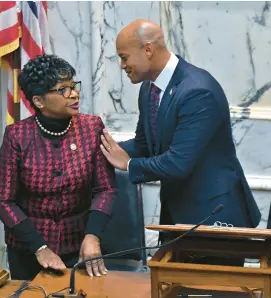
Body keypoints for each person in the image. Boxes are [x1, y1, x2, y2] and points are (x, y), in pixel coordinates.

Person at [100, 20, 261, 238]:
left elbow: (177, 163)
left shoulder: (197, 91)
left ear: (147, 50)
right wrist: (99, 152)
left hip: (213, 217)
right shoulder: (150, 88)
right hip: (176, 215)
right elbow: (144, 144)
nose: (121, 65)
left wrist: (128, 164)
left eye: (124, 57)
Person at [0, 54, 116, 280]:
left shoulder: (91, 128)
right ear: (39, 101)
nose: (74, 93)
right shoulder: (17, 136)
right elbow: (2, 200)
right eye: (63, 90)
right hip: (28, 249)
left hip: (80, 245)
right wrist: (40, 247)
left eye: (73, 86)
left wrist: (93, 236)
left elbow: (105, 189)